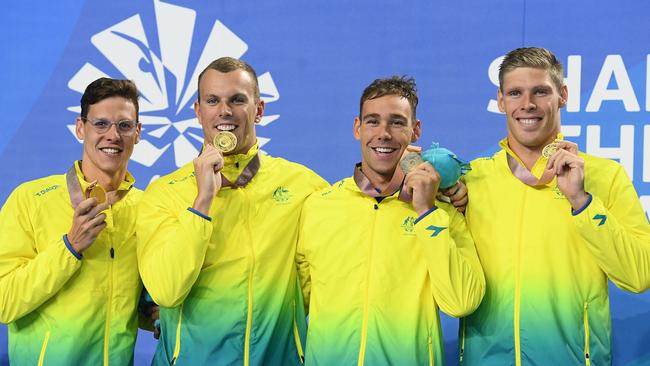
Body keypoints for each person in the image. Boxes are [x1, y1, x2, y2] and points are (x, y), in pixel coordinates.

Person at [460, 47, 650, 365]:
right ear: (501, 101)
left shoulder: (605, 176)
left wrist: (582, 202)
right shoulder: (473, 179)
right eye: (515, 93)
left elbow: (639, 274)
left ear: (562, 95)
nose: (528, 104)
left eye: (541, 91)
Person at [137, 57, 328, 365]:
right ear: (199, 112)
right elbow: (166, 290)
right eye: (213, 100)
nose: (224, 110)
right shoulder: (165, 194)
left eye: (237, 100)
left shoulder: (303, 185)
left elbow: (328, 274)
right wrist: (202, 202)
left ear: (259, 110)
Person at [296, 76, 485, 365]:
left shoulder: (441, 213)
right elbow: (295, 304)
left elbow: (462, 302)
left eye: (397, 122)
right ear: (357, 128)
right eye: (373, 121)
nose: (384, 133)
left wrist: (425, 212)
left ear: (415, 130)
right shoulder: (319, 206)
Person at [0, 78, 144, 365]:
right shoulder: (30, 199)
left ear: (137, 133)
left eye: (124, 125)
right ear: (81, 128)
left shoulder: (146, 207)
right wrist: (69, 247)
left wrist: (154, 314)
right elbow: (5, 301)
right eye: (101, 124)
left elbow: (123, 299)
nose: (113, 135)